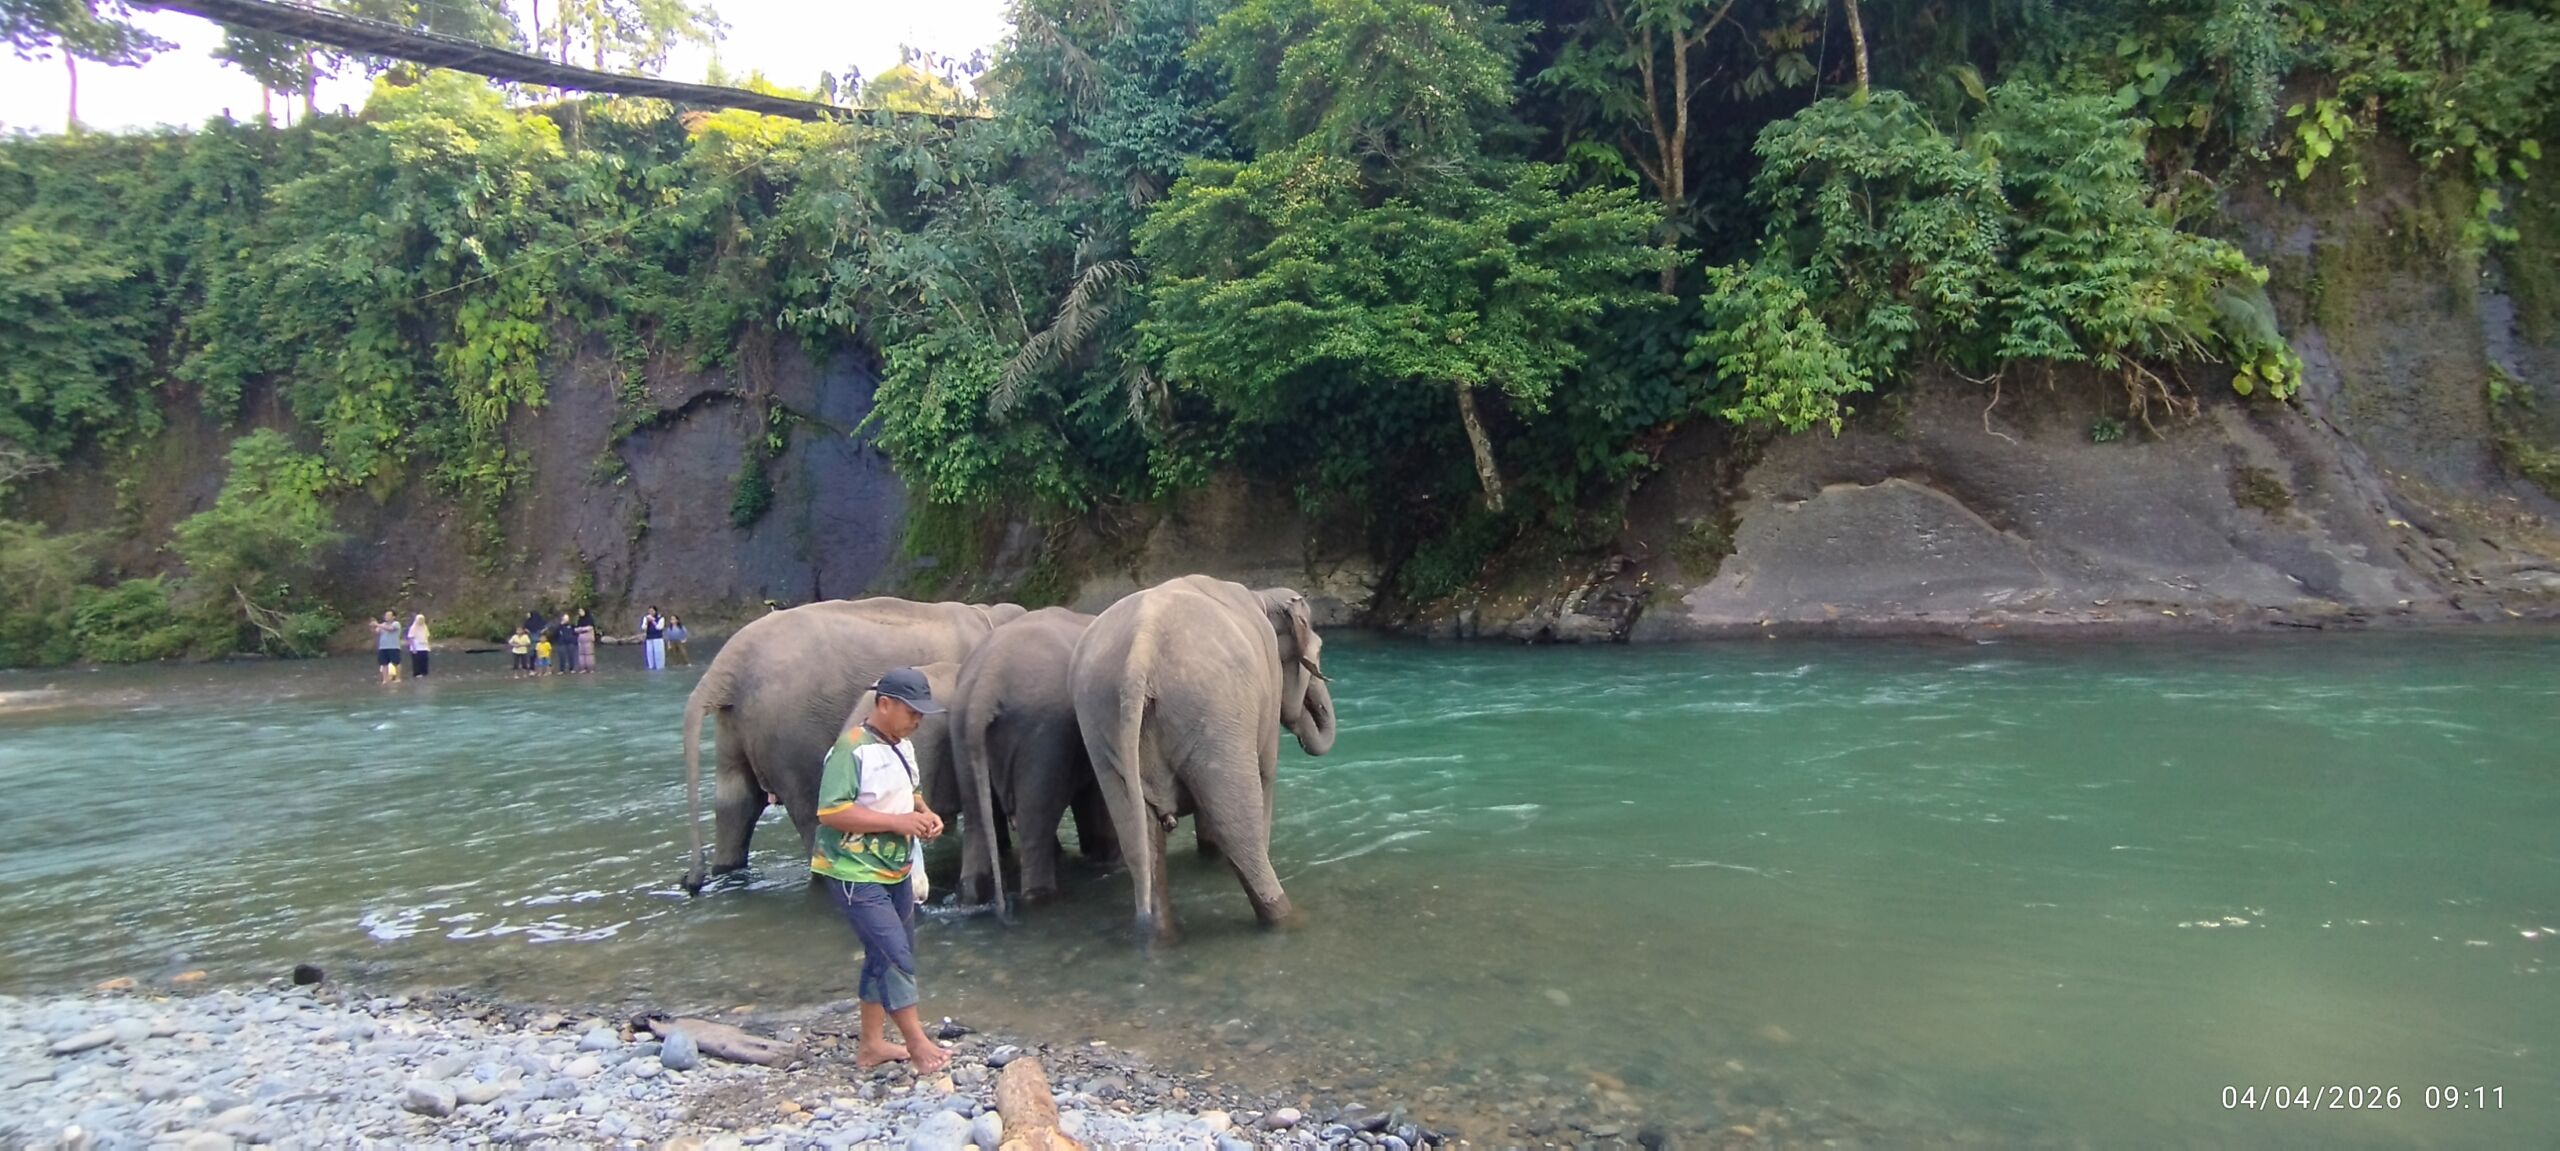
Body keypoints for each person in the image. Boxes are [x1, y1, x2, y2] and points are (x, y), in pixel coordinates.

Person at [813, 667, 950, 1072]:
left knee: (879, 955)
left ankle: (871, 1045)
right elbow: (830, 812)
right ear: (884, 705)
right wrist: (898, 823)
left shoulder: (902, 746)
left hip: (896, 869)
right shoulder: (850, 749)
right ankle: (917, 1042)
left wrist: (925, 814)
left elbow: (910, 794)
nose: (918, 720)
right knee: (896, 954)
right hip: (855, 872)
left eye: (923, 712)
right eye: (912, 711)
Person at [373, 611, 403, 685]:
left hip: (393, 647)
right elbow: (377, 631)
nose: (386, 617)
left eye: (389, 615)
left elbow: (390, 629)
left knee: (396, 662)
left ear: (393, 617)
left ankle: (398, 678)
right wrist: (375, 626)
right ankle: (385, 679)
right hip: (383, 647)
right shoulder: (382, 624)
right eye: (386, 615)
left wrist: (377, 624)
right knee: (384, 664)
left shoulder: (396, 624)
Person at [406, 613, 432, 679]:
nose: (421, 621)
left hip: (424, 647)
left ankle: (424, 672)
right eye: (419, 620)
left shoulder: (425, 627)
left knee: (424, 660)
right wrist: (413, 648)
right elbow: (410, 638)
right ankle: (417, 673)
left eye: (422, 620)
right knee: (416, 661)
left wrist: (428, 645)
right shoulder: (413, 627)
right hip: (416, 647)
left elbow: (427, 637)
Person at [641, 606, 666, 671]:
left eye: (652, 611)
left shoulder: (660, 618)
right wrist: (647, 622)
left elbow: (659, 627)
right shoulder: (646, 618)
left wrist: (653, 621)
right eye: (649, 611)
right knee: (649, 653)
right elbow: (643, 627)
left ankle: (660, 667)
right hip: (649, 638)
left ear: (655, 611)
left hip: (658, 638)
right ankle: (651, 666)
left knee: (658, 653)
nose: (651, 612)